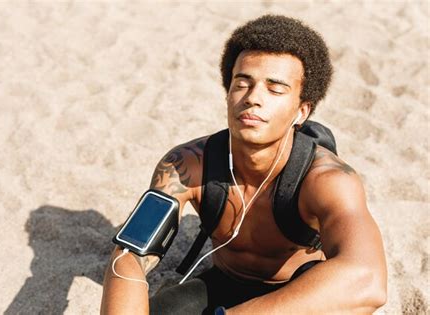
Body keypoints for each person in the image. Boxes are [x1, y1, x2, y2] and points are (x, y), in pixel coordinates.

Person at [101, 15, 387, 314]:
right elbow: (129, 257)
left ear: (301, 111)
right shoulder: (186, 165)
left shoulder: (328, 179)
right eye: (242, 83)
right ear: (228, 94)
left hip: (299, 296)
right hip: (222, 283)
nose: (253, 98)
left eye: (275, 89)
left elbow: (367, 281)